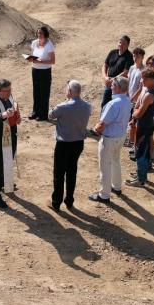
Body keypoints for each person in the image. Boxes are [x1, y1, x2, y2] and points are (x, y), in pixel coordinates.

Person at [47, 80, 92, 211]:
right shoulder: (87, 106)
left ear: (70, 92)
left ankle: (56, 202)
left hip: (63, 145)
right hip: (78, 144)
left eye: (67, 89)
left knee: (59, 173)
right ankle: (69, 201)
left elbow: (50, 115)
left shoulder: (63, 106)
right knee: (72, 172)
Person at [89, 76, 131, 203]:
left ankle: (104, 195)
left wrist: (95, 130)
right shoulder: (127, 100)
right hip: (120, 136)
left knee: (105, 166)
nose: (110, 86)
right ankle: (116, 187)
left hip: (109, 139)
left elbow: (102, 124)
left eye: (113, 85)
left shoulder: (113, 104)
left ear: (118, 87)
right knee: (115, 161)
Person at [0, 79, 20, 210]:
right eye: (6, 91)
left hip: (11, 137)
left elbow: (14, 108)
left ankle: (3, 183)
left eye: (10, 90)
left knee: (8, 162)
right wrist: (4, 114)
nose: (9, 93)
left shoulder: (8, 96)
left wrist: (17, 117)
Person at [127, 69, 154, 187]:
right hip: (146, 124)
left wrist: (134, 113)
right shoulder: (152, 91)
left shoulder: (149, 95)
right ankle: (141, 174)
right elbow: (139, 108)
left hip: (144, 126)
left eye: (144, 79)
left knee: (141, 153)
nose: (142, 81)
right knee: (143, 151)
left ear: (151, 79)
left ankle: (141, 180)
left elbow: (139, 113)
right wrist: (136, 111)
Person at [27, 26, 56, 121]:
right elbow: (32, 55)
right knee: (36, 91)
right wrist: (31, 59)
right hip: (35, 70)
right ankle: (35, 112)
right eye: (38, 33)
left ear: (45, 34)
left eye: (41, 33)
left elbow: (53, 61)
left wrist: (41, 62)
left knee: (44, 93)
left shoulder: (49, 45)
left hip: (45, 71)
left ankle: (43, 115)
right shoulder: (35, 43)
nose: (39, 35)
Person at [100, 35, 134, 109]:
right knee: (104, 104)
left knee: (115, 106)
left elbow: (126, 73)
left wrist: (113, 80)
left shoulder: (129, 56)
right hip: (109, 83)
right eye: (120, 42)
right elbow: (105, 65)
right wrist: (105, 77)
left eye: (123, 43)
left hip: (119, 86)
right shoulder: (113, 52)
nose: (121, 45)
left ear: (127, 45)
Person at [126, 47, 146, 147]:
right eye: (134, 55)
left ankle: (132, 141)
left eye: (137, 56)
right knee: (128, 119)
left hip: (136, 100)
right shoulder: (132, 68)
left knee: (133, 120)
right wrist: (126, 94)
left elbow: (141, 88)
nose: (135, 58)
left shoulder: (144, 70)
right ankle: (129, 139)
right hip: (129, 98)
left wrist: (132, 98)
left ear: (142, 57)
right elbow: (128, 81)